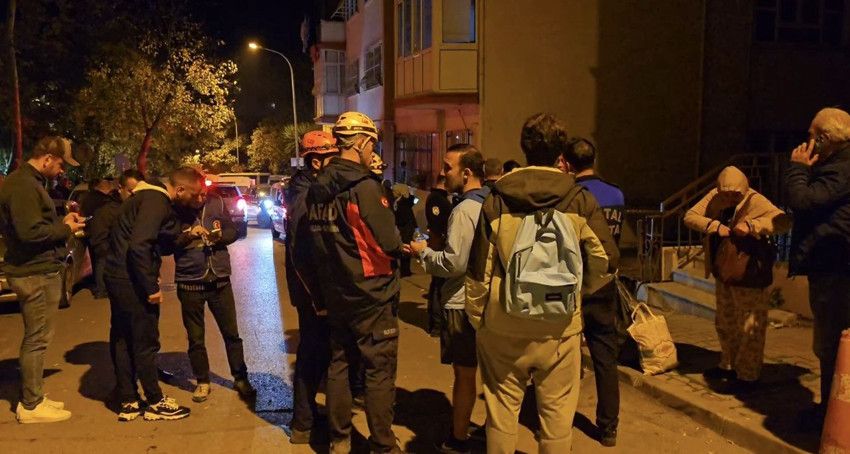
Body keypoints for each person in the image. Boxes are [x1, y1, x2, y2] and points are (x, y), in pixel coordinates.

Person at [466, 113, 611, 454]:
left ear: (524, 148)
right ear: (561, 154)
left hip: (503, 323)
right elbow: (606, 259)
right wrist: (576, 294)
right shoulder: (579, 199)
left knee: (501, 415)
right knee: (557, 419)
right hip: (560, 324)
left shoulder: (497, 199)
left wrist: (479, 319)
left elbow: (479, 270)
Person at [307, 111, 403, 454]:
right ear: (361, 142)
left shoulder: (317, 190)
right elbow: (389, 241)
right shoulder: (364, 187)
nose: (372, 151)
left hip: (336, 292)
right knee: (379, 371)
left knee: (340, 365)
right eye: (372, 144)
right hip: (372, 293)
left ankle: (339, 440)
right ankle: (383, 444)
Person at [406, 144, 490, 454]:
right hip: (487, 299)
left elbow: (454, 263)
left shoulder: (465, 210)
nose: (443, 173)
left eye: (448, 167)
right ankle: (486, 428)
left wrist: (423, 253)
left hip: (462, 301)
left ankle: (458, 438)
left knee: (464, 374)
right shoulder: (491, 201)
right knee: (489, 374)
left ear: (466, 173)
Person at [104, 167, 205, 422]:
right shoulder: (156, 201)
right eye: (194, 194)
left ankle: (128, 400)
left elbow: (159, 243)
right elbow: (140, 245)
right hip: (132, 281)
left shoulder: (142, 198)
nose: (197, 199)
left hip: (117, 276)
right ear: (179, 189)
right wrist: (150, 287)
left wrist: (185, 236)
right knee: (145, 341)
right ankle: (155, 401)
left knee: (123, 338)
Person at [0, 136, 86, 424]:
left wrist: (62, 224)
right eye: (61, 164)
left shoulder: (27, 183)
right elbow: (30, 233)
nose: (62, 170)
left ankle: (34, 396)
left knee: (38, 337)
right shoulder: (24, 185)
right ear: (47, 158)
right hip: (33, 272)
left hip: (34, 269)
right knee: (37, 339)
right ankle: (31, 405)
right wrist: (65, 228)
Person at [685, 166, 790, 393]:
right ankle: (729, 364)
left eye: (735, 194)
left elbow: (783, 222)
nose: (730, 199)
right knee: (726, 321)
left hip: (749, 272)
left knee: (750, 325)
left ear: (743, 189)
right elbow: (690, 216)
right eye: (726, 194)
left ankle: (749, 374)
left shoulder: (755, 200)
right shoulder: (716, 196)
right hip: (725, 269)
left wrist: (753, 226)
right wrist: (714, 226)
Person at [784, 107, 850, 428]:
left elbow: (804, 200)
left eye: (812, 135)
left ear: (825, 138)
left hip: (834, 267)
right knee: (833, 342)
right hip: (833, 263)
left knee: (831, 343)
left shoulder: (842, 168)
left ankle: (830, 414)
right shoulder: (836, 164)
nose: (807, 140)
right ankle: (831, 408)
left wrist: (798, 168)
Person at [560, 137, 624, 445]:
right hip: (605, 283)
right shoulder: (617, 194)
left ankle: (559, 420)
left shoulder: (572, 197)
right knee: (605, 357)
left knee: (566, 354)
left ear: (568, 164)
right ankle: (609, 426)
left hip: (574, 284)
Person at [172, 181, 255, 404]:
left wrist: (220, 236)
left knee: (232, 334)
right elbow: (167, 244)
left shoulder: (216, 202)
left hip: (219, 279)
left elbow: (232, 230)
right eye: (197, 195)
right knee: (196, 338)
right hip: (190, 281)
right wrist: (189, 235)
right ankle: (202, 381)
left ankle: (240, 378)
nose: (201, 198)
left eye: (203, 194)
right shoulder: (174, 209)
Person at [286, 130, 339, 444]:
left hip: (313, 289)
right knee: (313, 354)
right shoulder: (306, 194)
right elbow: (302, 249)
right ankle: (303, 424)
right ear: (316, 161)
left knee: (316, 353)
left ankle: (305, 420)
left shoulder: (305, 187)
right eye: (333, 157)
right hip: (313, 291)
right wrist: (318, 297)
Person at [88, 173, 141, 299]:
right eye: (130, 191)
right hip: (114, 269)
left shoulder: (138, 208)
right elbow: (99, 238)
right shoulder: (107, 210)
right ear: (120, 189)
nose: (134, 195)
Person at [424, 174, 453, 337]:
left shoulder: (439, 198)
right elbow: (437, 223)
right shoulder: (437, 199)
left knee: (438, 284)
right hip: (439, 245)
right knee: (438, 285)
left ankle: (436, 322)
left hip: (440, 243)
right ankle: (436, 324)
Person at [82, 178, 117, 298]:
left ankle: (98, 285)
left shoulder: (87, 198)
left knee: (97, 260)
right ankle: (101, 289)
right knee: (101, 261)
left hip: (91, 232)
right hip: (101, 233)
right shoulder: (102, 201)